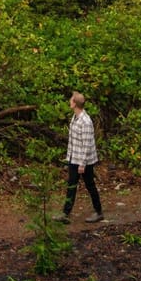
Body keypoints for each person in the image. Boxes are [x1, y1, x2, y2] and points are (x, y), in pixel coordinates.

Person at [60, 90, 104, 223]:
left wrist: (82, 164)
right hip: (74, 158)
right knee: (71, 185)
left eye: (71, 100)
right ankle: (65, 214)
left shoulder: (85, 121)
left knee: (90, 185)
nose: (69, 101)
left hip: (84, 161)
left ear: (75, 103)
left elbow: (87, 144)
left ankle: (99, 212)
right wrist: (71, 158)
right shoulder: (75, 118)